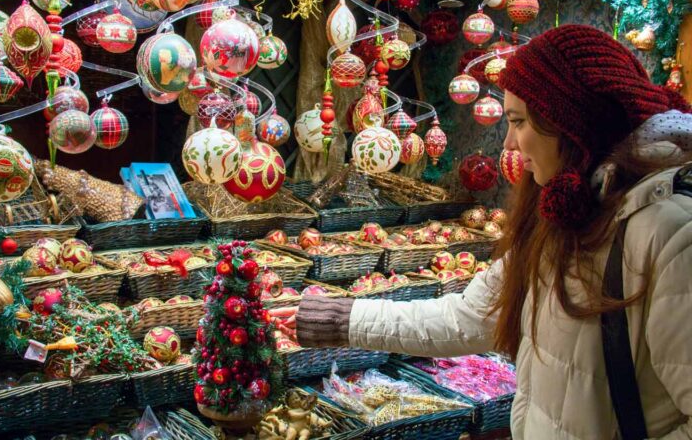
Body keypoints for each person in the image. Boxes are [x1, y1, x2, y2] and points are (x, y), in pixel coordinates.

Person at [271, 24, 692, 439]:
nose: (508, 144)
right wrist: (334, 318)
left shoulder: (669, 237)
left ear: (571, 122)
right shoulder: (563, 220)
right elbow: (466, 317)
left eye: (519, 121)